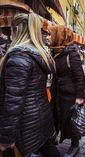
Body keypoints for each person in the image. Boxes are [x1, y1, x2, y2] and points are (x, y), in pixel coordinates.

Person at [0, 13, 57, 157]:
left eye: (11, 30)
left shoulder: (18, 58)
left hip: (24, 125)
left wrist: (6, 138)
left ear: (16, 31)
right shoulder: (37, 55)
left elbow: (13, 102)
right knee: (47, 148)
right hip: (40, 117)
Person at [48, 25, 85, 157]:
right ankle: (52, 139)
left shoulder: (72, 53)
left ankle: (75, 146)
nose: (48, 37)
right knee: (56, 116)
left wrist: (80, 96)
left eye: (51, 34)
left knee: (71, 121)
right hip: (57, 92)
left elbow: (80, 76)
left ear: (60, 36)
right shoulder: (55, 52)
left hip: (70, 95)